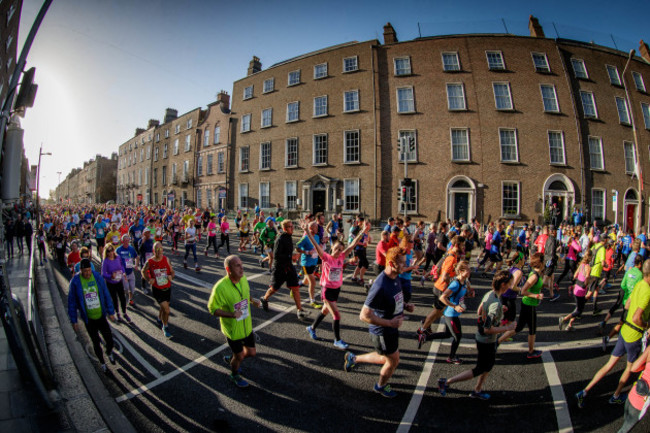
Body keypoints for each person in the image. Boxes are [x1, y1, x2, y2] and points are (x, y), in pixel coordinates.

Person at [575, 258, 650, 408]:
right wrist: (646, 324)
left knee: (609, 364)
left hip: (624, 330)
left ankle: (584, 391)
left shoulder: (640, 284)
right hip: (634, 335)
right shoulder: (648, 290)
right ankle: (615, 396)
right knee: (630, 368)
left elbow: (627, 304)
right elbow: (637, 317)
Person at [343, 247, 414, 398]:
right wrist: (390, 323)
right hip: (382, 331)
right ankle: (380, 386)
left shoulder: (396, 276)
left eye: (405, 262)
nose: (405, 266)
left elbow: (393, 298)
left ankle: (353, 358)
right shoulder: (380, 285)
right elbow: (364, 315)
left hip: (391, 327)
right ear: (390, 263)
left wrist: (405, 306)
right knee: (393, 361)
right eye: (401, 263)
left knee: (385, 358)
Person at [438, 270, 516, 400]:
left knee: (487, 366)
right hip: (486, 340)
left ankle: (478, 388)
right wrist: (507, 327)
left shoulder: (490, 294)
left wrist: (498, 310)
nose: (512, 285)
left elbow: (480, 310)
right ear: (503, 284)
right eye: (510, 283)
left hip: (483, 338)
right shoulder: (495, 303)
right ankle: (447, 382)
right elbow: (487, 329)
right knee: (480, 368)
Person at [303, 219, 370, 349]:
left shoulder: (341, 257)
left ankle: (312, 328)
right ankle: (337, 340)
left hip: (336, 289)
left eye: (341, 249)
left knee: (324, 311)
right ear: (332, 248)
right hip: (327, 290)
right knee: (336, 315)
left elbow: (354, 243)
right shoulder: (326, 257)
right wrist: (307, 232)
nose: (339, 251)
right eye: (336, 249)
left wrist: (362, 231)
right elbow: (316, 246)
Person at [207, 255, 261, 388]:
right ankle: (234, 374)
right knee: (240, 356)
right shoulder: (220, 287)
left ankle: (233, 358)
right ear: (228, 269)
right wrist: (231, 314)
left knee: (252, 352)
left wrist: (253, 301)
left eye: (241, 265)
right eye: (237, 265)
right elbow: (212, 309)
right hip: (233, 330)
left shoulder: (243, 280)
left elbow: (246, 296)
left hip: (246, 326)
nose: (242, 268)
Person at [67, 259, 117, 373]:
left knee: (109, 340)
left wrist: (110, 311)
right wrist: (73, 320)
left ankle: (109, 352)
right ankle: (103, 363)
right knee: (96, 342)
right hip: (89, 319)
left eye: (89, 270)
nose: (88, 273)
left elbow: (105, 294)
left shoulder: (97, 277)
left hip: (101, 316)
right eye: (85, 271)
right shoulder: (75, 282)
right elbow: (72, 302)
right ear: (81, 271)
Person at [419, 261, 473, 365]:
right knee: (458, 336)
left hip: (454, 313)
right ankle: (451, 357)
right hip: (451, 314)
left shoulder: (464, 282)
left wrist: (469, 295)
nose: (469, 271)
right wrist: (455, 306)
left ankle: (425, 337)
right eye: (467, 270)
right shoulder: (455, 284)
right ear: (461, 271)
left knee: (448, 334)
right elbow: (442, 297)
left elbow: (461, 295)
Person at [498, 252, 545, 359]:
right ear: (541, 263)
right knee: (532, 329)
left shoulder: (536, 274)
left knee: (519, 327)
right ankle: (531, 351)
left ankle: (498, 341)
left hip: (528, 304)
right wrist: (536, 296)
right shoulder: (534, 275)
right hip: (529, 304)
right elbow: (523, 291)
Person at [260, 220, 307, 320]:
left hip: (289, 267)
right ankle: (264, 298)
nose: (292, 228)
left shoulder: (289, 237)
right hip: (279, 268)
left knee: (295, 287)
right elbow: (276, 256)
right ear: (285, 228)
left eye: (292, 226)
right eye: (290, 227)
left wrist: (293, 256)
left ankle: (300, 310)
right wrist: (291, 257)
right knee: (274, 289)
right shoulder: (280, 239)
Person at [602, 255, 644, 351]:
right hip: (633, 303)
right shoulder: (640, 275)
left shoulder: (629, 271)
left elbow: (623, 286)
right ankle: (608, 338)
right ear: (641, 263)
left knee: (627, 322)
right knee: (624, 322)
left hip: (626, 301)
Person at [141, 241, 175, 338]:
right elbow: (143, 271)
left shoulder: (166, 259)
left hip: (167, 288)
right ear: (153, 251)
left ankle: (159, 319)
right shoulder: (150, 262)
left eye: (160, 249)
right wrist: (148, 279)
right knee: (167, 310)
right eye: (157, 249)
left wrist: (171, 276)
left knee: (163, 308)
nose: (159, 251)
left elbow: (172, 272)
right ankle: (165, 326)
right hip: (157, 289)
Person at [616, 344, 650, 433]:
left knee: (626, 421)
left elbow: (634, 368)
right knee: (624, 430)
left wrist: (646, 367)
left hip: (633, 392)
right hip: (641, 401)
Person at [559, 250, 592, 331]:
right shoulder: (588, 267)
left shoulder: (581, 265)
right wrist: (586, 283)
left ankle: (569, 325)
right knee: (579, 310)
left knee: (578, 308)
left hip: (576, 288)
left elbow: (575, 275)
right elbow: (587, 277)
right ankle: (564, 319)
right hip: (581, 290)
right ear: (590, 257)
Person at [295, 222, 324, 309]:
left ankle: (295, 287)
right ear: (310, 228)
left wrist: (321, 246)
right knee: (313, 282)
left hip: (313, 262)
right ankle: (312, 301)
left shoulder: (317, 237)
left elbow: (317, 247)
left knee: (305, 281)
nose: (317, 229)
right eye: (315, 227)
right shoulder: (305, 238)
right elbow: (297, 247)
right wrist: (307, 252)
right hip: (306, 263)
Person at [101, 243, 131, 323]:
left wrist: (123, 273)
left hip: (119, 281)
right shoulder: (106, 261)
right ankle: (117, 313)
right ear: (106, 252)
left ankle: (124, 312)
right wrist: (111, 276)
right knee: (114, 299)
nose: (111, 252)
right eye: (108, 251)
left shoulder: (118, 257)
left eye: (112, 250)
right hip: (111, 283)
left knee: (122, 297)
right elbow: (103, 274)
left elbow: (121, 266)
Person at [116, 234, 139, 307]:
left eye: (127, 240)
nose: (126, 242)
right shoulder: (118, 250)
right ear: (122, 241)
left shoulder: (131, 249)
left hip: (130, 272)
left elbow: (137, 257)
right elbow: (115, 260)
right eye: (125, 241)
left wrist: (136, 265)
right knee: (126, 288)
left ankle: (130, 299)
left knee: (132, 288)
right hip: (123, 273)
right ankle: (123, 298)